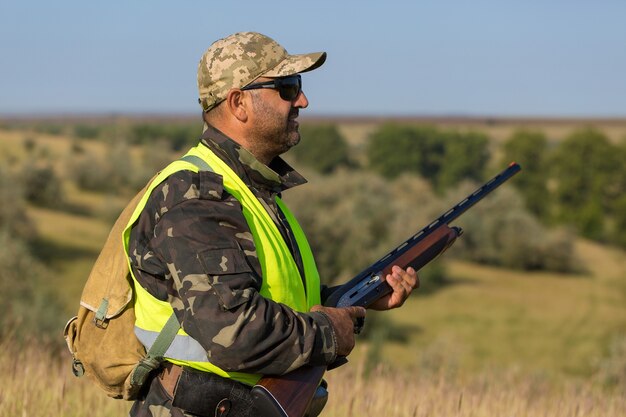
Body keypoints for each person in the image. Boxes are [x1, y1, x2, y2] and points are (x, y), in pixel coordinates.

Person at [126, 31, 419, 417]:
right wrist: (329, 332)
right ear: (239, 103)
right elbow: (234, 331)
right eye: (287, 87)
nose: (302, 100)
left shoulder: (250, 188)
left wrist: (356, 298)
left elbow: (267, 297)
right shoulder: (195, 197)